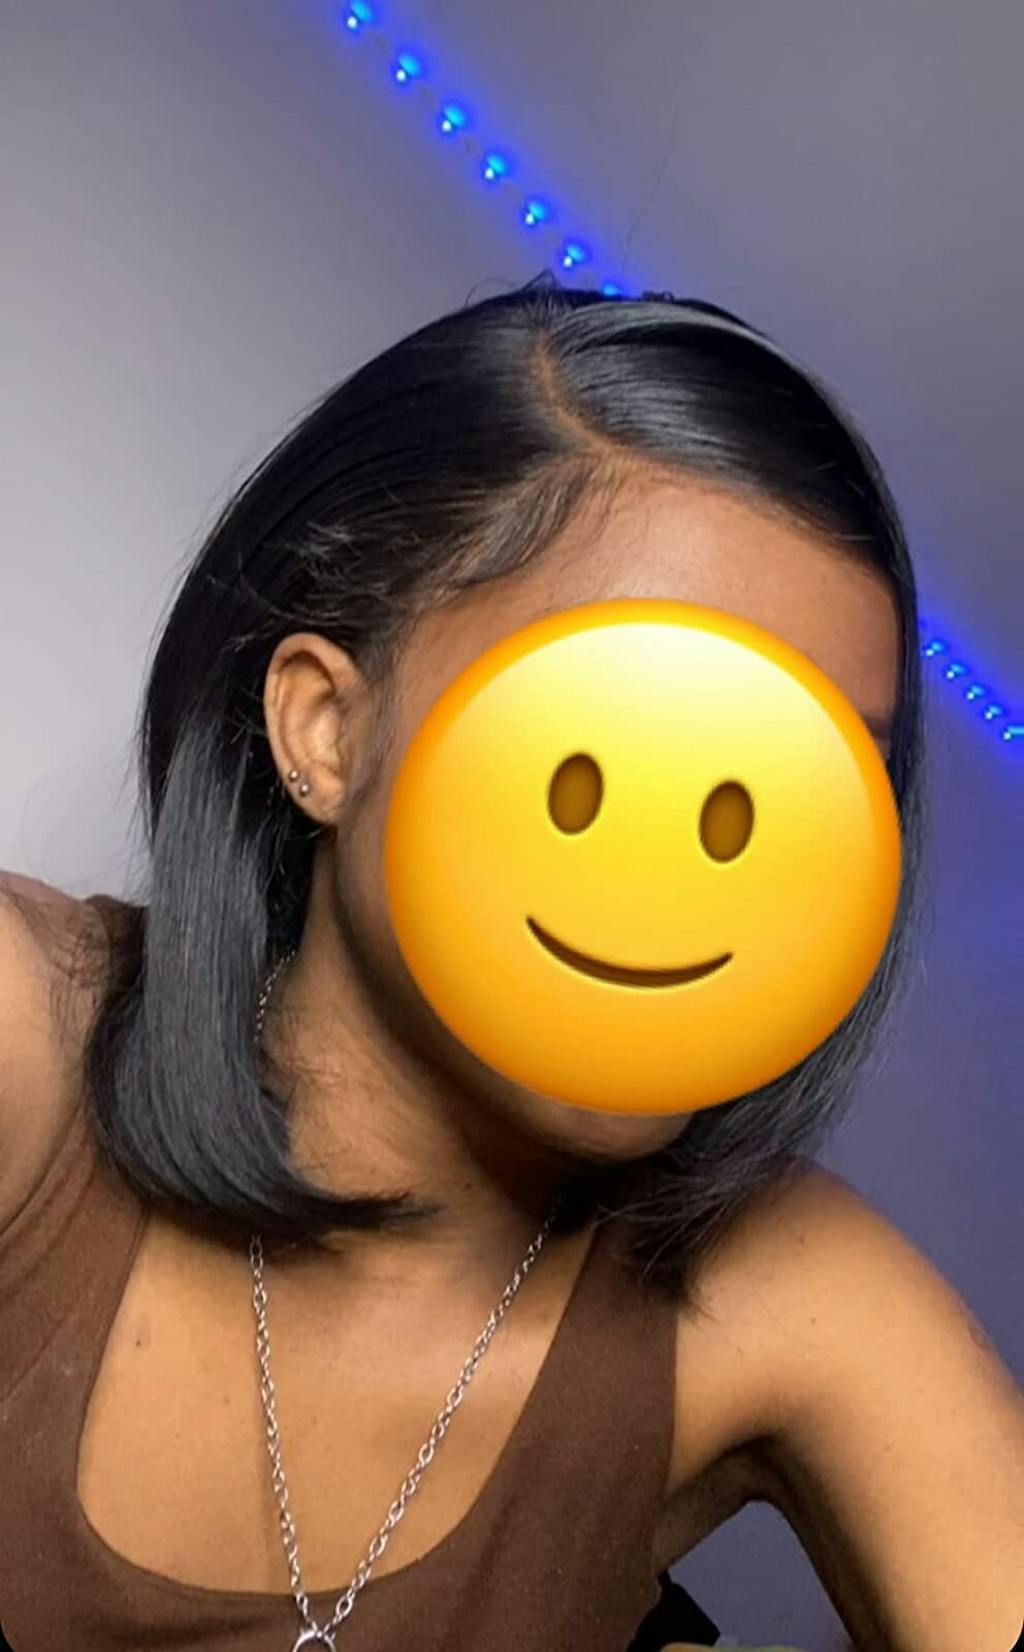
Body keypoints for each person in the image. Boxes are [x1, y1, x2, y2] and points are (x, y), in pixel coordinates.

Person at [1, 275, 1021, 1652]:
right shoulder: (29, 1038)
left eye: (817, 772)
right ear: (326, 731)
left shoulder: (781, 1291)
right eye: (617, 734)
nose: (685, 879)